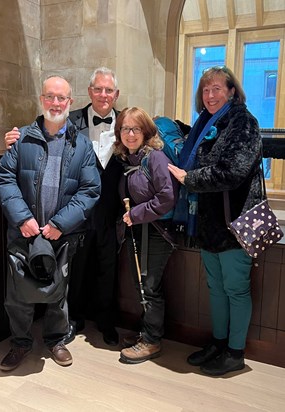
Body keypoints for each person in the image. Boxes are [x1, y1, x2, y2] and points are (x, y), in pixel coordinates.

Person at [4, 67, 123, 346]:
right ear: (87, 93)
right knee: (68, 276)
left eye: (109, 90)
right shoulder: (46, 130)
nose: (103, 95)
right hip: (62, 217)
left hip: (107, 213)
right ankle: (67, 324)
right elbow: (7, 177)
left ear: (116, 95)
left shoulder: (124, 123)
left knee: (103, 270)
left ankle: (102, 323)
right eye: (97, 89)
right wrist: (12, 140)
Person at [0, 75, 101, 371]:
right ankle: (20, 343)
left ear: (70, 102)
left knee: (58, 291)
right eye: (50, 97)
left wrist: (59, 224)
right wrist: (23, 218)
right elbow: (4, 179)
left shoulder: (82, 145)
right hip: (23, 231)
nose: (56, 103)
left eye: (62, 98)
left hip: (61, 234)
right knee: (17, 295)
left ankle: (56, 340)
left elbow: (90, 190)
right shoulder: (22, 138)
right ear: (42, 100)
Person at [168, 66, 262, 376]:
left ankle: (235, 353)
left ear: (232, 91)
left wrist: (189, 178)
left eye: (217, 89)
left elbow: (233, 172)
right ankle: (219, 344)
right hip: (209, 224)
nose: (210, 95)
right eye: (206, 90)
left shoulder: (243, 122)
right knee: (217, 289)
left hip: (234, 223)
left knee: (235, 290)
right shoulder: (206, 123)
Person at [113, 107, 178, 364]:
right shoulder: (130, 159)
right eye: (125, 129)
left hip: (156, 232)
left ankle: (152, 341)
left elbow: (167, 197)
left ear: (146, 131)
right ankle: (146, 333)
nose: (130, 134)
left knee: (149, 287)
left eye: (136, 128)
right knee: (142, 284)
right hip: (139, 230)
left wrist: (137, 214)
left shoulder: (155, 158)